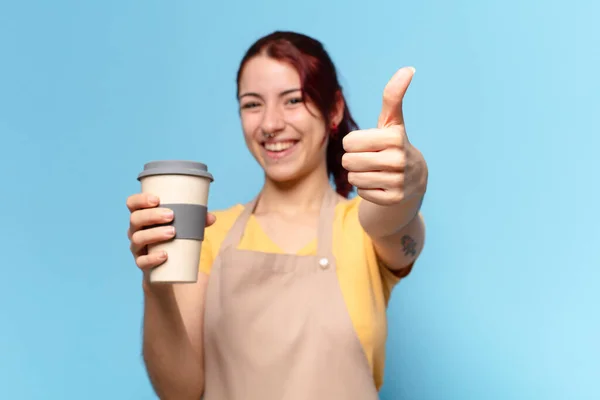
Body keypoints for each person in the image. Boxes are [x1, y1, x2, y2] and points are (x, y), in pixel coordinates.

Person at [126, 30, 428, 399]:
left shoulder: (360, 228)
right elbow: (180, 392)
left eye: (293, 100)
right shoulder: (209, 234)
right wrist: (154, 283)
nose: (270, 124)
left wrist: (407, 188)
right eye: (252, 104)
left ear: (333, 109)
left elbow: (394, 223)